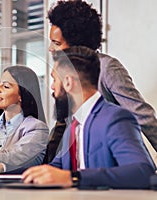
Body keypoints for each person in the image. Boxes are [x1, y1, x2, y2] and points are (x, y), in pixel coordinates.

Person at [22, 46, 155, 189]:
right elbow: (57, 167)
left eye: (54, 79)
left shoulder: (115, 118)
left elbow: (142, 172)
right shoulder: (73, 125)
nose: (52, 87)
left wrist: (73, 177)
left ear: (68, 82)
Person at [43, 0, 157, 163]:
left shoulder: (106, 67)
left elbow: (141, 115)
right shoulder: (64, 73)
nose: (51, 48)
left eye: (56, 43)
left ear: (76, 43)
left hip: (113, 164)